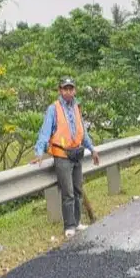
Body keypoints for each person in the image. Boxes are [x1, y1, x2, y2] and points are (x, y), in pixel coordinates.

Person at [32, 77, 101, 238]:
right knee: (68, 192)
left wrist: (92, 149)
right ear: (60, 90)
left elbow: (83, 132)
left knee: (78, 190)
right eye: (65, 89)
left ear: (74, 90)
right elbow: (45, 132)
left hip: (76, 154)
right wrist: (39, 152)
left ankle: (77, 222)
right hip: (62, 156)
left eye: (71, 89)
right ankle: (69, 226)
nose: (68, 92)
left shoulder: (76, 107)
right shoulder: (53, 109)